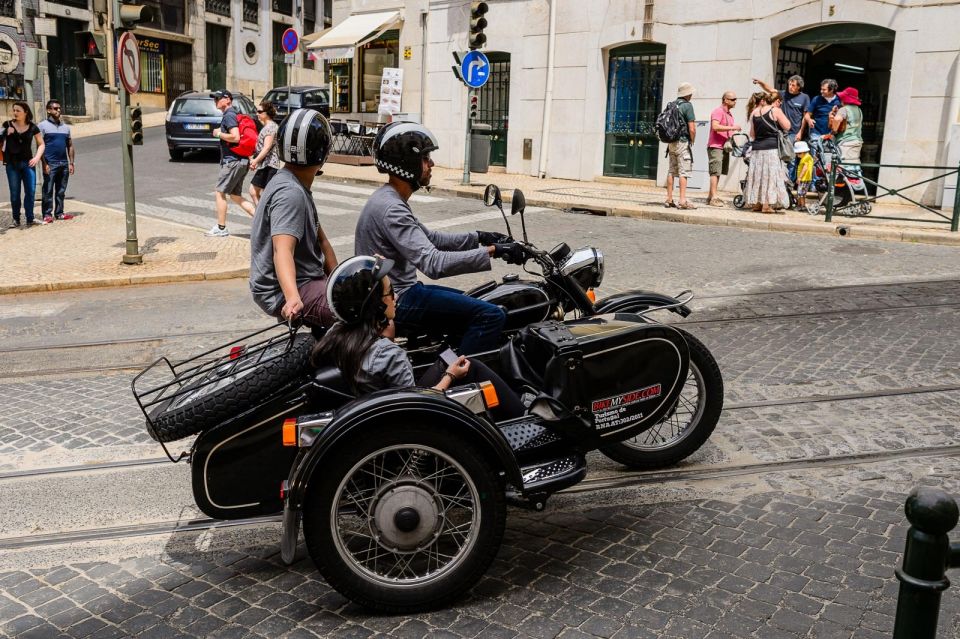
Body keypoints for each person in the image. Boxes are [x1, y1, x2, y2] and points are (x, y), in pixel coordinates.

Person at [354, 121, 525, 355]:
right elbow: (433, 263)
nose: (431, 164)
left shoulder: (389, 199)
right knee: (490, 315)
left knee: (478, 299)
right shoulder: (391, 208)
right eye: (425, 159)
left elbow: (431, 238)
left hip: (400, 293)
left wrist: (482, 237)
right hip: (397, 301)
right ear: (408, 163)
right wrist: (494, 251)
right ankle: (458, 381)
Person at [312, 255, 525, 421]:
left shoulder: (336, 335)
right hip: (404, 421)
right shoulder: (388, 354)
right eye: (390, 292)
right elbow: (415, 407)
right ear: (375, 305)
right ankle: (522, 416)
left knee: (444, 355)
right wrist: (450, 376)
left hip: (372, 410)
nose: (395, 298)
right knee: (472, 367)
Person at [249, 108, 339, 327]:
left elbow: (322, 241)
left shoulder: (293, 183)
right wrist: (292, 296)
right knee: (364, 312)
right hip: (287, 288)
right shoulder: (290, 193)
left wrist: (339, 280)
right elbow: (282, 250)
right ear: (323, 154)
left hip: (304, 281)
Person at [207, 90, 255, 237]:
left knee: (219, 192)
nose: (215, 100)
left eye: (218, 98)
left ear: (227, 99)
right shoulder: (233, 114)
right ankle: (264, 221)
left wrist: (218, 133)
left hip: (233, 162)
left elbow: (234, 137)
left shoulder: (229, 115)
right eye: (215, 98)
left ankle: (221, 228)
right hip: (241, 161)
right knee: (235, 196)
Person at [745, 92, 791, 214]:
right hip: (771, 149)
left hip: (757, 149)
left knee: (758, 177)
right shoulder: (775, 110)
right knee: (770, 177)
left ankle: (756, 204)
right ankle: (766, 205)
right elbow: (787, 126)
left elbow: (752, 134)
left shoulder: (754, 113)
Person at [2, 101, 44, 228]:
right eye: (14, 110)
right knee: (15, 194)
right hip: (12, 165)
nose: (15, 113)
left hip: (28, 163)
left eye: (18, 110)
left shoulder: (33, 127)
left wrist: (37, 157)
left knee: (30, 192)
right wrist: (5, 132)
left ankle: (30, 218)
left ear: (26, 112)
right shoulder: (7, 124)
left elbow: (41, 144)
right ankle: (16, 219)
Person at [38, 99, 75, 224]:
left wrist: (71, 163)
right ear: (49, 110)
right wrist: (44, 163)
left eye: (59, 108)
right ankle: (47, 214)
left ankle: (59, 213)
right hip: (50, 164)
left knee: (61, 190)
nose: (58, 110)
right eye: (55, 108)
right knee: (47, 190)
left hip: (63, 163)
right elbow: (40, 146)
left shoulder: (66, 128)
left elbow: (70, 146)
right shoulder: (42, 126)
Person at [664, 82, 697, 210]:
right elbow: (692, 128)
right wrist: (692, 140)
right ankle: (682, 200)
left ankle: (669, 199)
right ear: (687, 94)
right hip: (682, 141)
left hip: (671, 142)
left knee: (671, 170)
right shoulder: (687, 106)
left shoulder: (671, 104)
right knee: (684, 171)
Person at [706, 91, 740, 207]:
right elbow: (715, 127)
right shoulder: (718, 111)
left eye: (736, 99)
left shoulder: (729, 114)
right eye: (733, 99)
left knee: (718, 172)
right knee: (715, 172)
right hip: (716, 146)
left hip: (724, 147)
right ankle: (714, 197)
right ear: (725, 100)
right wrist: (732, 127)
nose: (735, 101)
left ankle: (711, 197)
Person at [248, 100, 282, 205]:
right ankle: (264, 217)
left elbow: (266, 148)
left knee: (256, 192)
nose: (257, 114)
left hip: (269, 165)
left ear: (267, 113)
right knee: (257, 192)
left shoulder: (270, 127)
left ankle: (264, 217)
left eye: (259, 111)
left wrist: (254, 161)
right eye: (256, 111)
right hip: (266, 165)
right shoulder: (269, 126)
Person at [831, 87, 864, 170]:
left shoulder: (844, 109)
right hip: (857, 142)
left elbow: (837, 119)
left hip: (845, 143)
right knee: (853, 169)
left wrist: (834, 131)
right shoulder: (859, 110)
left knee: (841, 168)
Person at [804, 79, 841, 147]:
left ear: (832, 90)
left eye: (824, 90)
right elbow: (807, 114)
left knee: (830, 155)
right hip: (816, 132)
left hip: (832, 134)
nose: (821, 91)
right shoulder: (816, 99)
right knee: (815, 154)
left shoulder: (839, 101)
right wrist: (809, 120)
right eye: (821, 89)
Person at [794, 140, 814, 209]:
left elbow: (805, 168)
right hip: (806, 178)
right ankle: (800, 205)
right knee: (801, 193)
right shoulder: (808, 157)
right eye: (797, 153)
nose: (797, 155)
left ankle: (802, 206)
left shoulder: (806, 158)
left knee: (801, 193)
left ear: (804, 152)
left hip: (804, 179)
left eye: (799, 153)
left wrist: (799, 177)